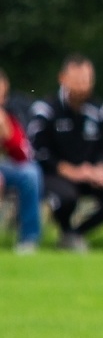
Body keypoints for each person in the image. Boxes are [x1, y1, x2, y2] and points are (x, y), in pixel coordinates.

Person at [26, 56, 103, 251]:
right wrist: (71, 171)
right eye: (77, 82)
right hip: (53, 173)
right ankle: (66, 231)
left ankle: (76, 233)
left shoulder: (99, 109)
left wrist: (100, 169)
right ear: (62, 79)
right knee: (67, 197)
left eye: (87, 81)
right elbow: (38, 152)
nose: (83, 87)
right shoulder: (46, 110)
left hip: (88, 174)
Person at [0, 68, 42, 253]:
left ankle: (28, 239)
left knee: (30, 173)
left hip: (4, 168)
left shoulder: (8, 115)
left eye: (3, 96)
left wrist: (7, 133)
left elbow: (24, 155)